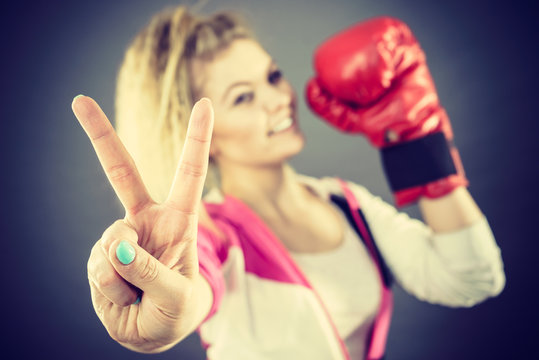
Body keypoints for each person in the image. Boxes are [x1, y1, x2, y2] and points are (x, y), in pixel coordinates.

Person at [72, 5, 505, 360]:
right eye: (243, 97)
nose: (279, 99)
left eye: (273, 76)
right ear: (200, 134)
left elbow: (472, 278)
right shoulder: (209, 237)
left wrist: (418, 137)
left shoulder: (344, 202)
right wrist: (167, 319)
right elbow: (192, 290)